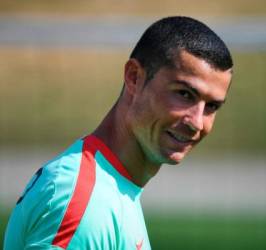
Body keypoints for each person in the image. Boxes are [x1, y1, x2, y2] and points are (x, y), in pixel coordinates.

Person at [4, 16, 233, 250]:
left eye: (212, 106)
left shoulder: (111, 189)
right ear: (134, 77)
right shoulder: (86, 204)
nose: (197, 122)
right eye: (184, 94)